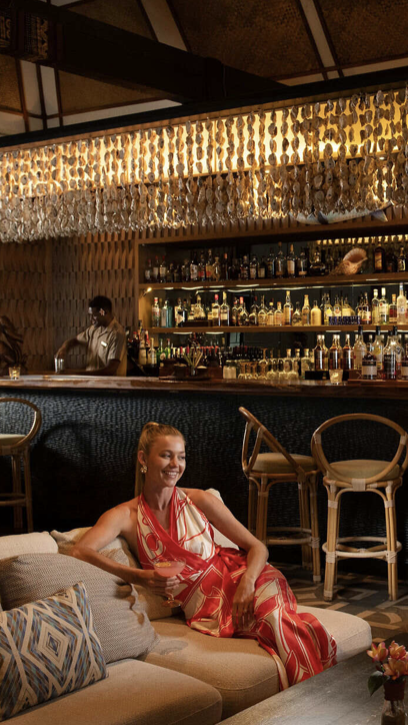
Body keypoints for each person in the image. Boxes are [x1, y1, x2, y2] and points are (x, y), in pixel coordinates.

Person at [71, 422, 336, 688]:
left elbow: (258, 547)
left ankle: (312, 698)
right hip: (208, 610)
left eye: (181, 457)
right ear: (143, 458)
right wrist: (139, 577)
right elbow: (80, 550)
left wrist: (247, 583)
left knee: (275, 618)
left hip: (249, 577)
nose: (175, 464)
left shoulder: (199, 500)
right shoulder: (125, 516)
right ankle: (323, 692)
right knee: (280, 625)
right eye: (166, 455)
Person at [56, 295, 127, 375]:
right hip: (90, 381)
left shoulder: (117, 334)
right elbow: (75, 340)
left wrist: (76, 374)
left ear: (104, 312)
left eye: (94, 315)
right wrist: (64, 347)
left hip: (108, 383)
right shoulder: (93, 329)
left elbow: (110, 370)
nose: (91, 319)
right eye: (90, 315)